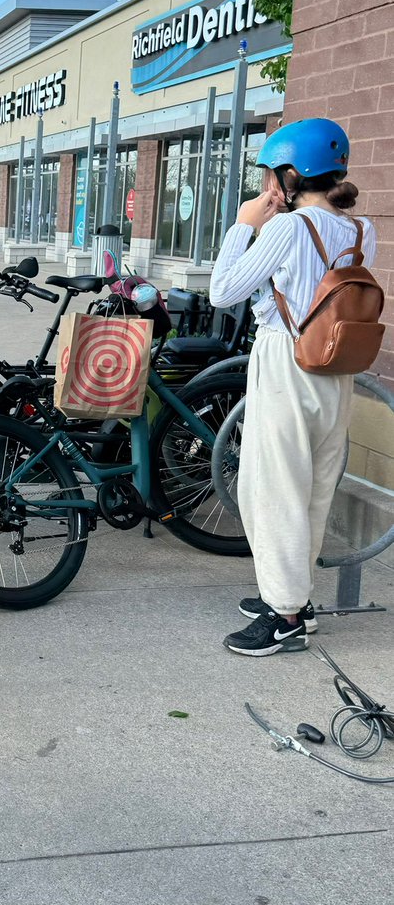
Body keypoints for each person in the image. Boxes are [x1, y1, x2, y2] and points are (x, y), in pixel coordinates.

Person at [209, 118, 377, 657]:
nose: (265, 188)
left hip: (287, 361)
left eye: (270, 177)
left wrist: (242, 225)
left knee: (273, 488)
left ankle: (285, 617)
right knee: (312, 488)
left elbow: (222, 291)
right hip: (336, 367)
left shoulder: (286, 228)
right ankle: (291, 597)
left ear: (289, 174)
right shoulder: (360, 231)